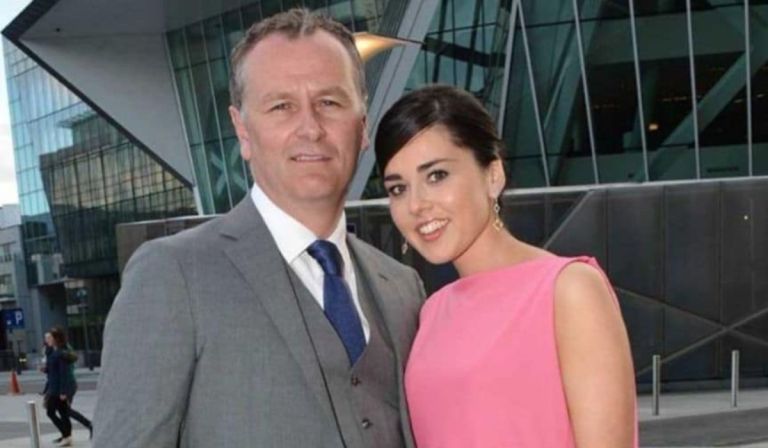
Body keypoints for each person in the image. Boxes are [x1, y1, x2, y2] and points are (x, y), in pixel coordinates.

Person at [93, 8, 424, 448]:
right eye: (281, 106)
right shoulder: (173, 275)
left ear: (362, 126)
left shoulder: (403, 287)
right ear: (243, 130)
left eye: (329, 102)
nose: (310, 128)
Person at [374, 85, 638, 448]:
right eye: (398, 189)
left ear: (493, 175)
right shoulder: (432, 311)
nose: (416, 204)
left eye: (436, 176)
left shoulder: (568, 290)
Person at [41, 330, 93, 444]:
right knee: (63, 411)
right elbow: (53, 370)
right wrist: (45, 370)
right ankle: (66, 435)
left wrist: (63, 391)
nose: (47, 340)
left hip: (66, 385)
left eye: (49, 338)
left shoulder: (63, 352)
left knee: (64, 411)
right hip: (56, 386)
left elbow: (65, 372)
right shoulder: (50, 350)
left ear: (56, 339)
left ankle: (82, 428)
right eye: (46, 338)